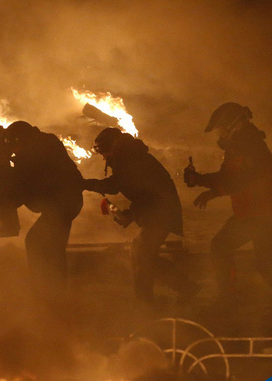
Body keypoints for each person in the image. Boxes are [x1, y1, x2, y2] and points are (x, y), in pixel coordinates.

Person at [83, 128, 198, 305]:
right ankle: (175, 290)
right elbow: (143, 191)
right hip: (158, 211)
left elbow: (116, 185)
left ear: (109, 147)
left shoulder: (127, 157)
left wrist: (85, 184)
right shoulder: (130, 154)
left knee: (142, 256)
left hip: (161, 213)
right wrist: (130, 214)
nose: (104, 158)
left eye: (103, 152)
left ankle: (148, 303)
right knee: (141, 253)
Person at [184, 102, 272, 300]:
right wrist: (211, 191)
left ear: (232, 125)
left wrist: (199, 180)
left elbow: (236, 180)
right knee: (266, 264)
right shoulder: (247, 142)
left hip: (258, 213)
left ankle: (227, 297)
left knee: (221, 247)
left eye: (220, 129)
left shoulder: (244, 145)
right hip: (262, 211)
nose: (219, 135)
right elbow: (235, 178)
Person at [4, 121, 83, 284]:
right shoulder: (45, 142)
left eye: (14, 147)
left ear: (22, 141)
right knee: (49, 245)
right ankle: (53, 288)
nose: (13, 151)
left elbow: (23, 185)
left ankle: (47, 290)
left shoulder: (32, 154)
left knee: (37, 242)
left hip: (62, 204)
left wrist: (6, 200)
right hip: (68, 201)